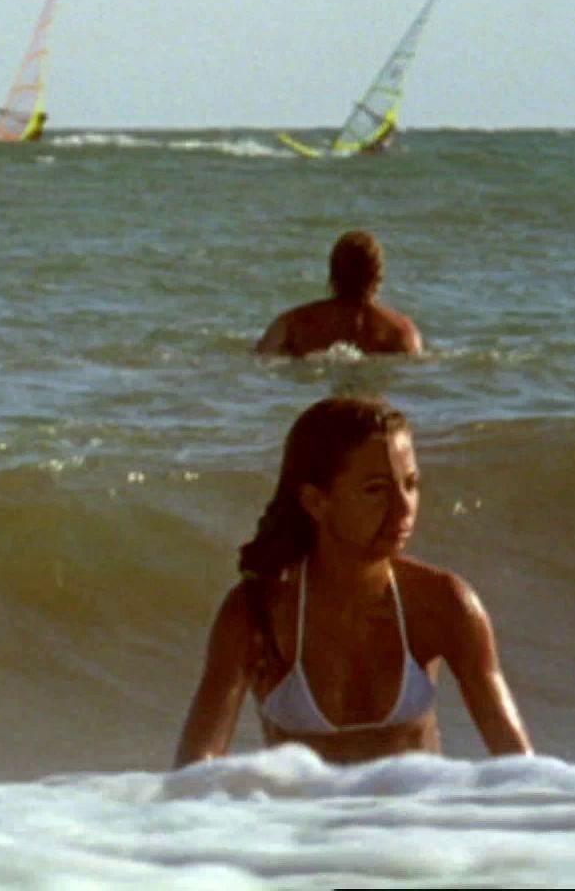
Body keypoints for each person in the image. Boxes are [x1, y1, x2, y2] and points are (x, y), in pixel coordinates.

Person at [174, 397, 533, 766]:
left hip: (420, 804)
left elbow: (519, 762)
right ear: (315, 501)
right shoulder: (257, 614)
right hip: (305, 807)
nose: (404, 508)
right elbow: (195, 767)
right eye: (375, 489)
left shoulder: (443, 604)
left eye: (411, 484)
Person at [255, 230, 425, 357]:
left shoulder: (291, 324)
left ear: (333, 273)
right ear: (378, 277)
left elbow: (261, 359)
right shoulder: (401, 331)